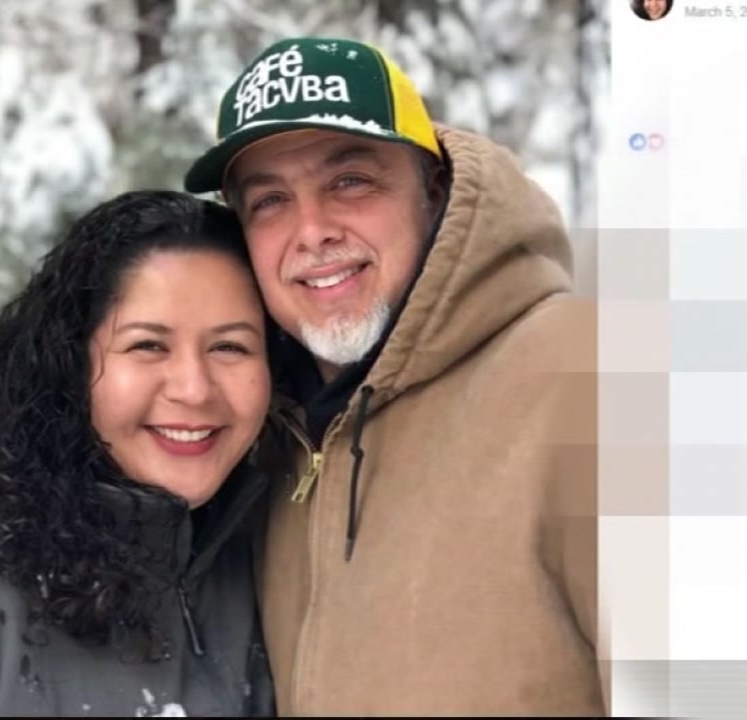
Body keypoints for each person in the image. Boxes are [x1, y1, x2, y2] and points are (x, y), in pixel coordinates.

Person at [184, 37, 604, 715]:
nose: (312, 230)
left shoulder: (587, 376)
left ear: (434, 190)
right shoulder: (259, 441)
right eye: (270, 201)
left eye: (350, 181)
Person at [0, 190, 277, 717]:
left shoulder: (271, 558)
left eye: (230, 347)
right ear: (69, 362)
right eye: (148, 345)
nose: (194, 389)